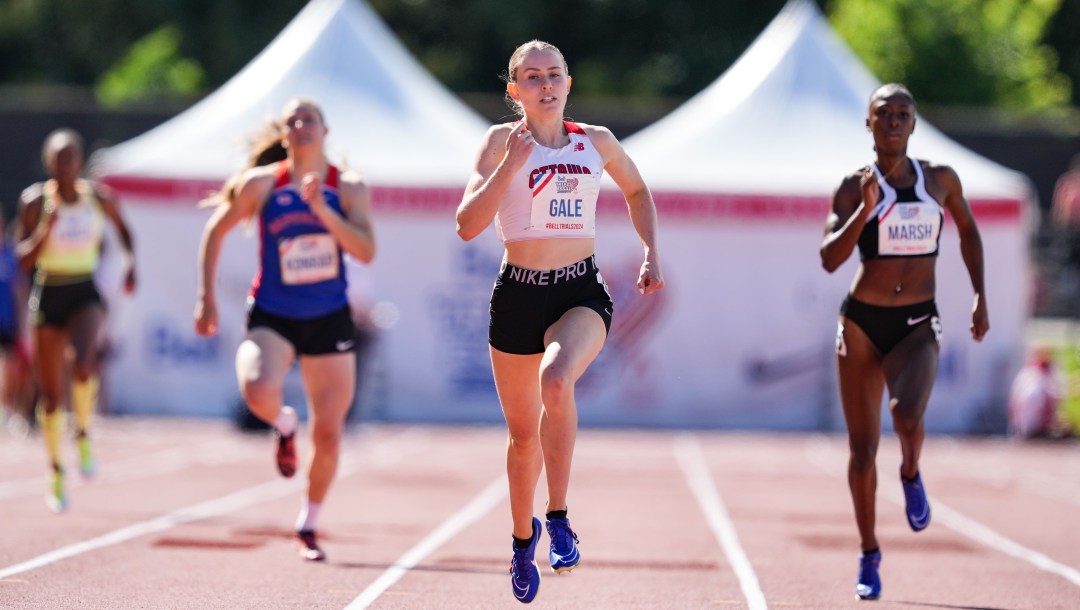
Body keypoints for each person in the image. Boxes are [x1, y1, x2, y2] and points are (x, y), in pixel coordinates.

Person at [456, 40, 664, 604]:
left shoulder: (595, 142)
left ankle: (559, 517)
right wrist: (510, 167)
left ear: (568, 83)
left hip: (580, 292)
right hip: (517, 297)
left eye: (554, 75)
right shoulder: (500, 143)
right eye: (532, 77)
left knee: (557, 379)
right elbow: (467, 224)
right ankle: (523, 543)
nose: (545, 85)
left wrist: (650, 250)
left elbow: (639, 190)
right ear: (514, 90)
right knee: (523, 438)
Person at [820, 83, 989, 601]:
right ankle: (870, 553)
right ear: (868, 124)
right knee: (862, 449)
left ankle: (911, 470)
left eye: (903, 114)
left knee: (908, 414)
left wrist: (981, 295)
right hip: (862, 323)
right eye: (883, 113)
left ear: (914, 124)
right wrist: (864, 211)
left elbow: (968, 232)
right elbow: (829, 258)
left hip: (917, 321)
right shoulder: (854, 186)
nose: (893, 121)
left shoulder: (940, 180)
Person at [194, 97, 375, 562]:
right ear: (284, 135)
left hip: (329, 317)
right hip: (274, 313)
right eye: (293, 121)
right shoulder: (262, 185)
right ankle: (282, 421)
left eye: (309, 118)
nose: (301, 125)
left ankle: (309, 523)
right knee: (256, 388)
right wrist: (206, 297)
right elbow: (216, 230)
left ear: (325, 129)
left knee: (331, 433)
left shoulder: (348, 187)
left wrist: (324, 212)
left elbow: (366, 249)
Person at [15, 128, 137, 512]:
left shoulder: (98, 198)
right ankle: (55, 472)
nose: (66, 164)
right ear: (49, 162)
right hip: (49, 290)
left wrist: (132, 265)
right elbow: (22, 261)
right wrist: (43, 231)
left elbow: (125, 231)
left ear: (80, 160)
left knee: (84, 362)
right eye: (58, 158)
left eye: (71, 157)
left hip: (85, 291)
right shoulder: (35, 202)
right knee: (50, 395)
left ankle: (82, 430)